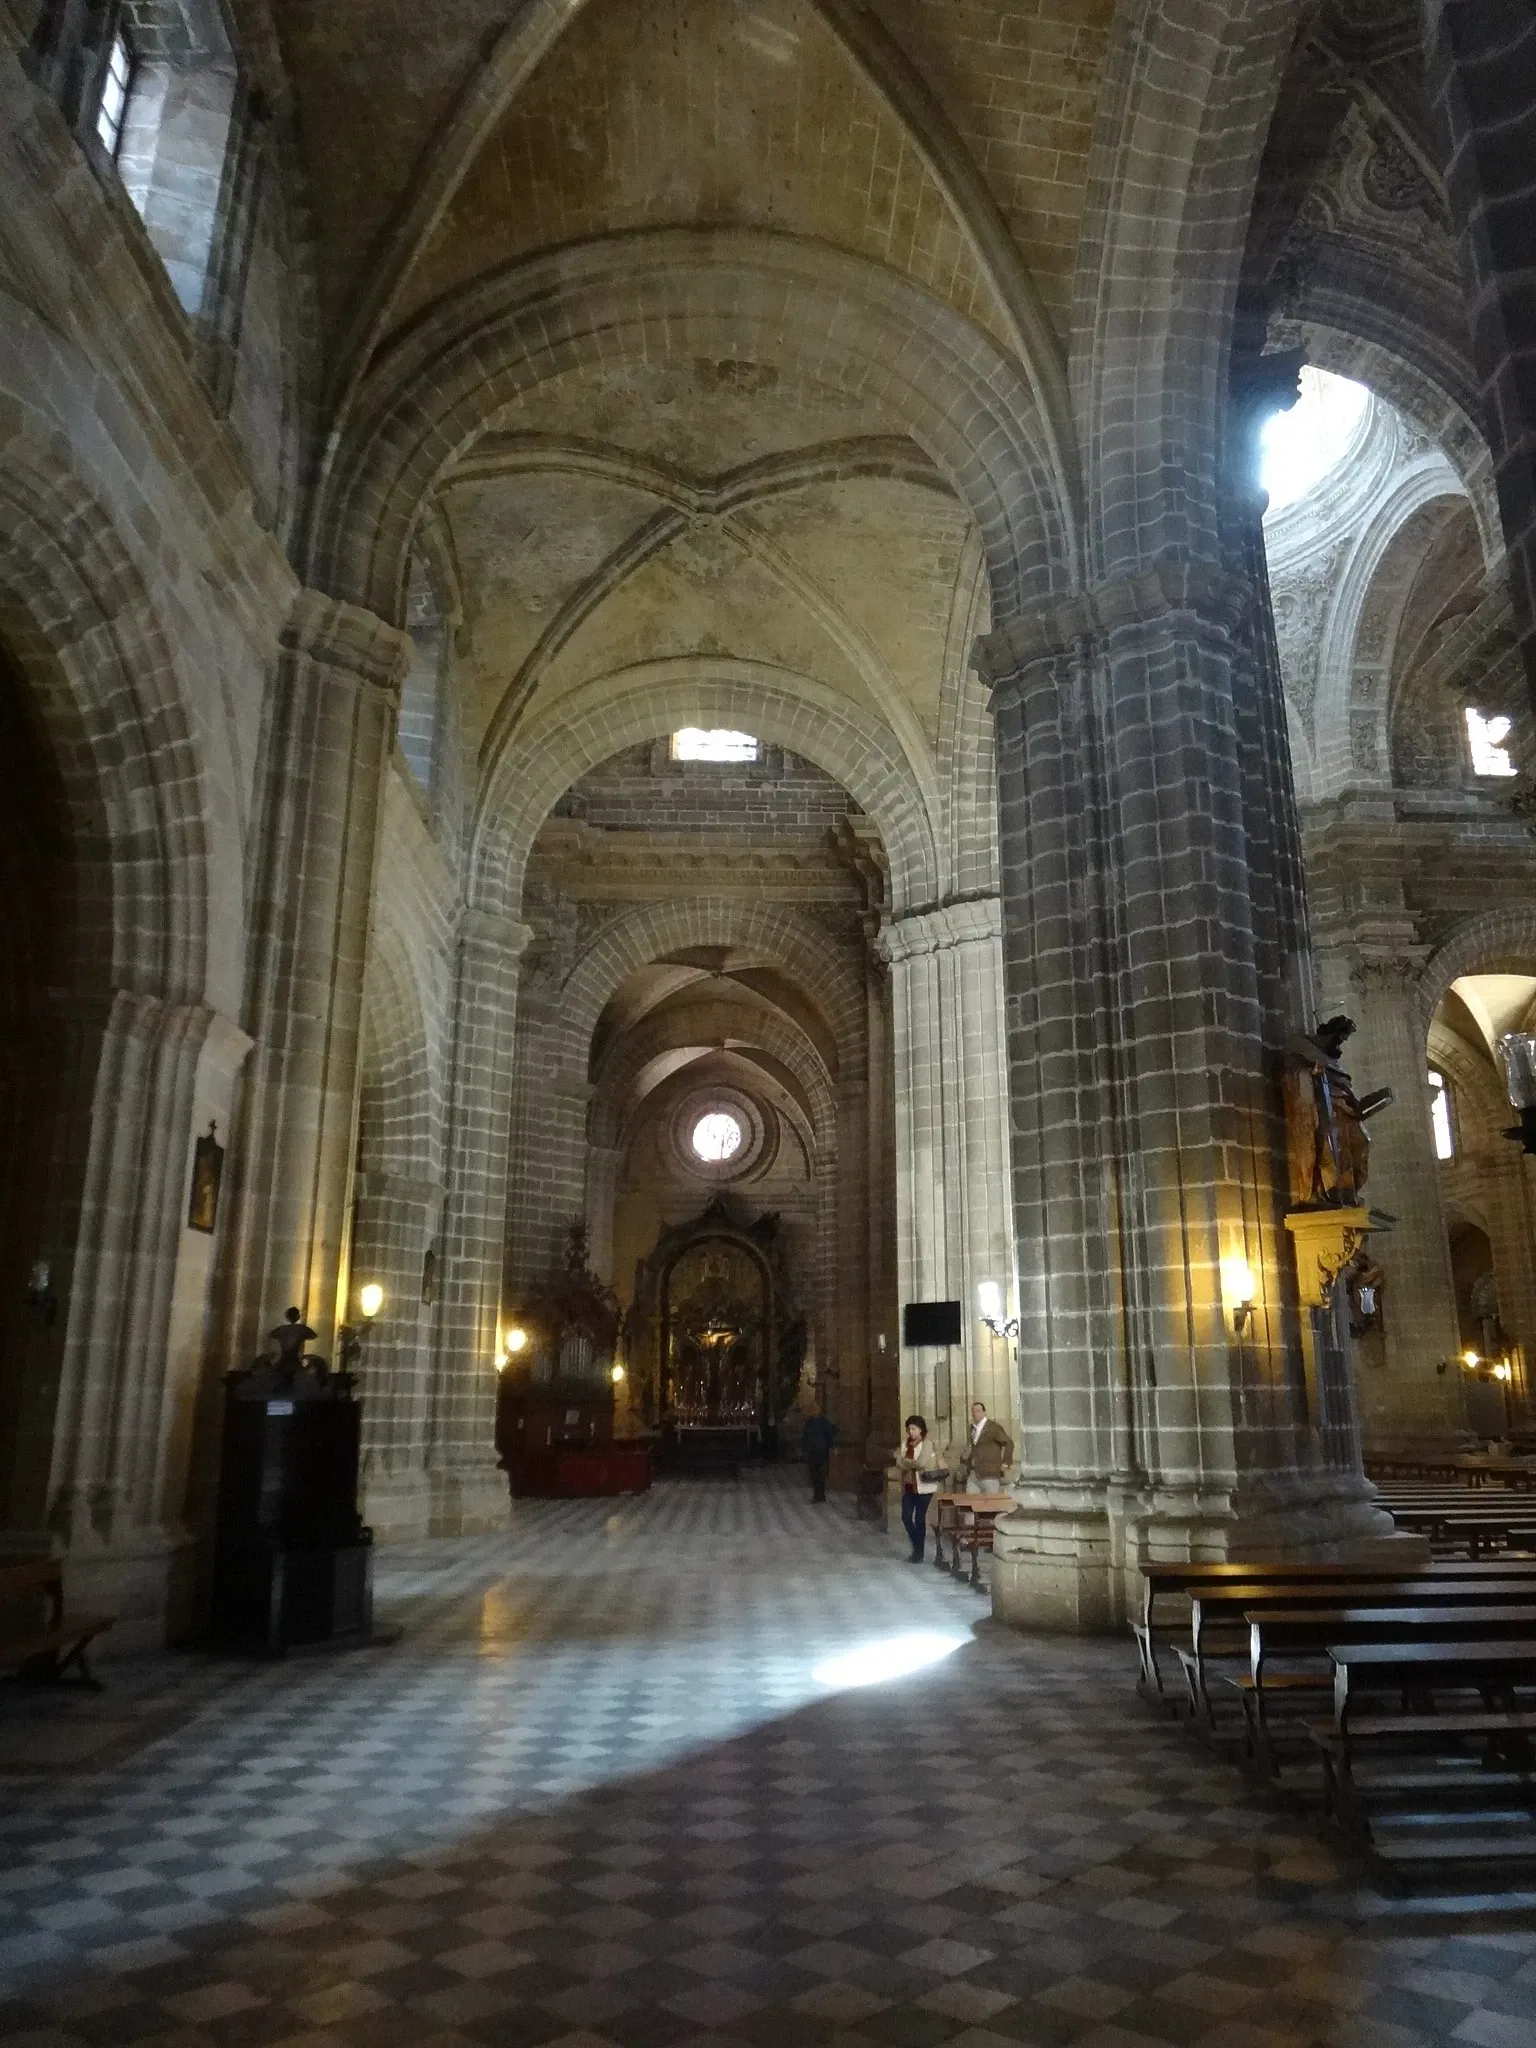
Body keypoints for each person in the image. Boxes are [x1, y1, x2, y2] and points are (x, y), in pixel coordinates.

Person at [896, 1414, 944, 1562]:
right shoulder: (906, 1444)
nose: (911, 1432)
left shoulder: (927, 1444)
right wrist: (907, 1461)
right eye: (909, 1429)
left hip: (924, 1486)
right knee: (906, 1517)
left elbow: (921, 1463)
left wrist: (905, 1460)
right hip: (909, 1485)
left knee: (919, 1518)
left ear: (921, 1429)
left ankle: (919, 1552)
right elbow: (899, 1462)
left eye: (914, 1429)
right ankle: (917, 1544)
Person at [959, 1401, 1013, 1494]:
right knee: (970, 1503)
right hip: (974, 1473)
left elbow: (1008, 1443)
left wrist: (1005, 1463)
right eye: (973, 1411)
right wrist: (966, 1460)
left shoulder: (993, 1427)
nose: (975, 1413)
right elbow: (975, 1448)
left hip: (990, 1473)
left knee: (990, 1505)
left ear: (984, 1412)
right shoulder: (972, 1429)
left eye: (978, 1411)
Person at [801, 1405, 837, 1502]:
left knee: (820, 1473)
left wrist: (833, 1447)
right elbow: (805, 1436)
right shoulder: (810, 1422)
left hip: (821, 1451)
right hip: (813, 1450)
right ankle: (818, 1494)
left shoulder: (823, 1422)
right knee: (814, 1473)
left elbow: (829, 1435)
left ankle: (820, 1494)